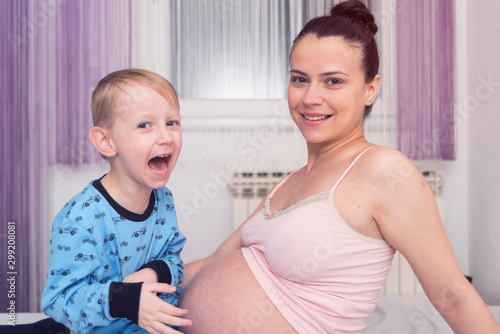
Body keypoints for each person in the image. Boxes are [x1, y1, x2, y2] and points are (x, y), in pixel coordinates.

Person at [177, 1, 500, 333]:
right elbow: (211, 262)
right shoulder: (287, 184)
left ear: (370, 90)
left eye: (332, 82)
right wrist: (132, 286)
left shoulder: (384, 171)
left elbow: (452, 295)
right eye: (300, 79)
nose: (310, 97)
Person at [40, 69, 193, 334]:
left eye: (172, 122)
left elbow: (174, 260)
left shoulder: (163, 199)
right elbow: (59, 302)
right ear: (106, 142)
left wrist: (154, 272)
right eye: (144, 125)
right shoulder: (81, 218)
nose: (165, 137)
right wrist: (126, 299)